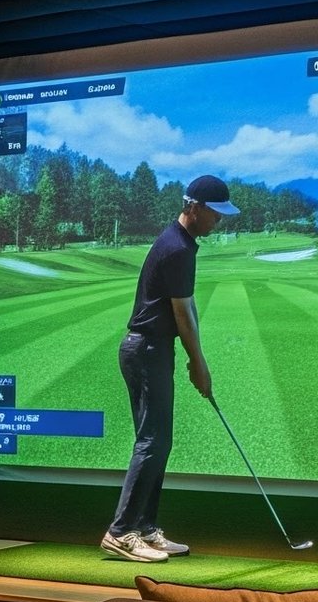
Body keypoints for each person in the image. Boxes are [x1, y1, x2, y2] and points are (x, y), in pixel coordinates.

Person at [101, 174, 239, 563]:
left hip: (152, 350)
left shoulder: (183, 244)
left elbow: (188, 305)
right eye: (215, 213)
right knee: (152, 440)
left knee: (159, 441)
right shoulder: (176, 248)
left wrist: (196, 359)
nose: (220, 221)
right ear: (193, 207)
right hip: (146, 350)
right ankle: (121, 531)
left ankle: (145, 527)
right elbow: (181, 314)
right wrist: (200, 363)